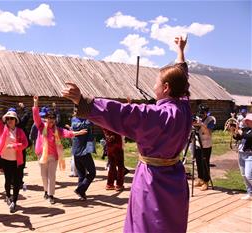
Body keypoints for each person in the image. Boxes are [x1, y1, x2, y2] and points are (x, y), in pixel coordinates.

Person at [62, 36, 191, 233]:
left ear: (166, 88)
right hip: (175, 180)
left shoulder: (155, 116)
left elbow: (122, 112)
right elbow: (182, 76)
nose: (153, 86)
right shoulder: (184, 107)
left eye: (156, 83)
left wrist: (83, 102)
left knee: (146, 225)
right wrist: (180, 51)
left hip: (152, 182)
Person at [32, 96, 87, 204]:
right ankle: (45, 191)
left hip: (53, 156)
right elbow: (35, 116)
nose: (51, 121)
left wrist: (79, 133)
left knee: (52, 176)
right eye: (49, 118)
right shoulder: (41, 126)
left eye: (53, 118)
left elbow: (68, 133)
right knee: (44, 175)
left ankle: (51, 195)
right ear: (46, 119)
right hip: (42, 155)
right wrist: (35, 103)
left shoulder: (58, 130)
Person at [0, 101, 28, 213]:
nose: (10, 120)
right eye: (8, 118)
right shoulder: (3, 129)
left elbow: (25, 144)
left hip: (17, 160)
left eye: (12, 118)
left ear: (16, 120)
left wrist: (15, 146)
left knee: (16, 182)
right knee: (7, 180)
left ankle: (14, 201)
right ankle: (7, 195)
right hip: (5, 159)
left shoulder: (20, 131)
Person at [70, 114, 96, 200]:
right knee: (92, 172)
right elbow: (90, 122)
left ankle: (81, 194)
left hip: (76, 151)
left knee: (81, 174)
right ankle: (80, 190)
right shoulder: (86, 121)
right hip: (83, 151)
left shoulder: (74, 119)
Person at [193, 104, 216, 191]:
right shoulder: (197, 118)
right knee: (198, 162)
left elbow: (209, 132)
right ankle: (200, 179)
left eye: (203, 113)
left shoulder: (210, 120)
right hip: (198, 143)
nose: (201, 115)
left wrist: (202, 125)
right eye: (200, 113)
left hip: (206, 144)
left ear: (207, 113)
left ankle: (206, 182)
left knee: (205, 163)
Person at [232, 113, 252, 200]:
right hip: (241, 154)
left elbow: (249, 137)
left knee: (249, 175)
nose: (247, 122)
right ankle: (250, 193)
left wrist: (240, 132)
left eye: (249, 120)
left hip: (250, 155)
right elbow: (238, 137)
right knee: (243, 174)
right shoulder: (246, 129)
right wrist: (234, 132)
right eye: (246, 120)